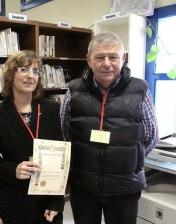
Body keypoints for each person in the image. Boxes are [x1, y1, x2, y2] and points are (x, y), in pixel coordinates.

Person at [60, 31, 159, 224]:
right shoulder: (73, 89)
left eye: (113, 57)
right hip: (83, 185)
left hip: (125, 187)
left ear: (123, 58)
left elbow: (151, 135)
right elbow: (65, 132)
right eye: (99, 57)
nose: (107, 63)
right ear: (89, 60)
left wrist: (131, 158)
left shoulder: (140, 89)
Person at [0, 50, 65, 224]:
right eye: (23, 69)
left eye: (36, 71)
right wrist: (13, 169)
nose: (31, 76)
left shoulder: (51, 108)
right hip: (15, 198)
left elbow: (60, 157)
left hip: (47, 198)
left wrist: (57, 201)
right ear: (10, 74)